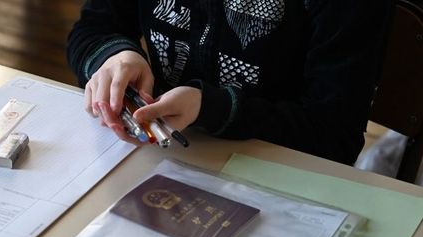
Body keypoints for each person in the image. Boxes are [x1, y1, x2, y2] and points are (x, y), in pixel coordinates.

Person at [67, 0, 392, 165]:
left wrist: (211, 108)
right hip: (160, 161)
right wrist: (116, 57)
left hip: (276, 179)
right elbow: (93, 29)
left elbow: (335, 138)